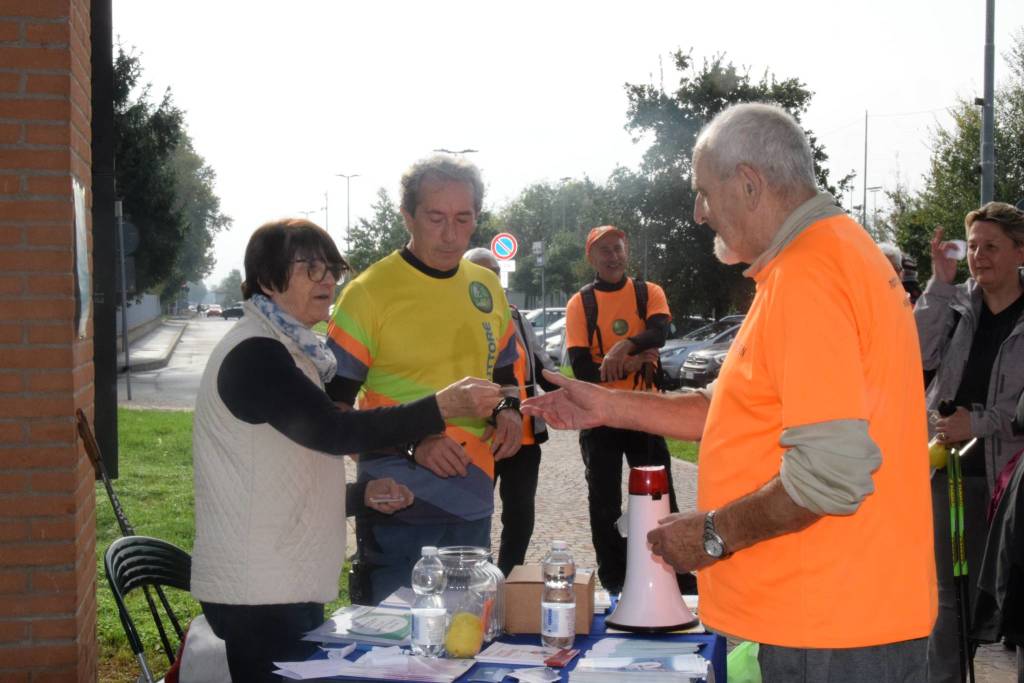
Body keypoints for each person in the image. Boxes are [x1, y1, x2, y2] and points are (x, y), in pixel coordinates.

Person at [524, 102, 936, 682]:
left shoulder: (809, 274)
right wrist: (607, 404)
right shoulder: (812, 261)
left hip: (831, 627)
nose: (699, 213)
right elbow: (731, 408)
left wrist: (713, 535)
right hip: (828, 618)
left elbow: (830, 477)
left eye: (704, 192)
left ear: (749, 184)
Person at [190, 218, 502, 682]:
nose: (328, 280)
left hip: (281, 580)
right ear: (266, 278)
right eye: (310, 269)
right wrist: (438, 408)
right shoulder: (256, 353)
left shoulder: (290, 349)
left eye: (331, 269)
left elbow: (287, 467)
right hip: (258, 589)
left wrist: (361, 498)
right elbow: (334, 430)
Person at [326, 156, 522, 604]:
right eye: (435, 218)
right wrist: (414, 444)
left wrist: (510, 410)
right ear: (408, 217)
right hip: (399, 505)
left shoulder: (487, 287)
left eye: (464, 218)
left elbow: (506, 373)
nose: (451, 234)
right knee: (395, 656)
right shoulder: (368, 293)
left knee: (465, 637)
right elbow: (333, 416)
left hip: (473, 499)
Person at [914, 202, 1024, 682]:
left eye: (992, 246)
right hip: (950, 473)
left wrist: (974, 423)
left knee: (1010, 598)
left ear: (1021, 251)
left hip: (1013, 482)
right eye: (973, 245)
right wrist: (939, 282)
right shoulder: (956, 302)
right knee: (947, 597)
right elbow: (916, 352)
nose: (979, 257)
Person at [563, 224, 678, 594]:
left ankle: (671, 571)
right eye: (605, 251)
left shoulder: (649, 292)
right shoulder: (580, 303)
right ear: (591, 258)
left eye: (618, 249)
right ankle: (615, 580)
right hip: (600, 416)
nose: (613, 257)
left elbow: (659, 332)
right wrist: (632, 361)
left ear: (625, 251)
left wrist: (620, 348)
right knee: (605, 501)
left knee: (660, 495)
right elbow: (582, 369)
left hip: (645, 412)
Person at [464, 247, 559, 575]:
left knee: (520, 515)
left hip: (525, 437)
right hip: (482, 437)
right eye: (481, 272)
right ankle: (476, 579)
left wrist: (572, 393)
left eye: (494, 272)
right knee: (475, 513)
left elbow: (539, 360)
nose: (490, 279)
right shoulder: (460, 316)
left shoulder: (515, 316)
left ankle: (506, 579)